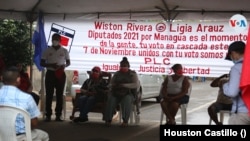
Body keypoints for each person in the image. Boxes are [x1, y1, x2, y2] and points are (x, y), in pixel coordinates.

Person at [0, 66, 49, 141]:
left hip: (1, 136)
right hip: (21, 137)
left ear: (1, 78)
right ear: (18, 79)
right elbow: (34, 124)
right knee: (44, 136)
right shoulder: (27, 98)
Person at [40, 33, 71, 122]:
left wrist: (64, 66)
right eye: (53, 39)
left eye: (57, 39)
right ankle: (48, 115)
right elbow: (42, 63)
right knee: (49, 94)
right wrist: (50, 65)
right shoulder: (47, 50)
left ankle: (58, 115)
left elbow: (68, 62)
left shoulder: (64, 51)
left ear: (60, 40)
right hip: (50, 73)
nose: (55, 41)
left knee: (59, 95)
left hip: (60, 73)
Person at [104, 57, 140, 127]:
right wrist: (114, 85)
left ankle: (125, 121)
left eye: (125, 66)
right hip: (116, 93)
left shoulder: (132, 74)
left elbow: (135, 85)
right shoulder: (117, 74)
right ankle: (108, 119)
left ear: (128, 66)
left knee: (126, 100)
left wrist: (124, 85)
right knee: (111, 99)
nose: (123, 67)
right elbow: (110, 84)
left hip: (128, 93)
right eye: (122, 66)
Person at [223, 41, 250, 125]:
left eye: (231, 56)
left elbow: (232, 92)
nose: (232, 58)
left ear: (233, 53)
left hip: (243, 113)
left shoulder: (237, 68)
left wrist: (225, 85)